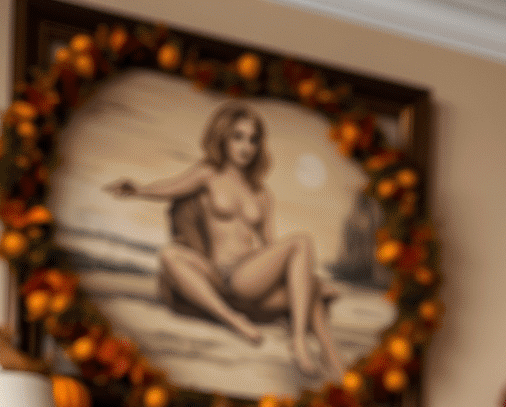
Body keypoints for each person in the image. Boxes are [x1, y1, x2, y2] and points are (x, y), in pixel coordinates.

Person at [105, 103, 345, 380]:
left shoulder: (262, 194)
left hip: (250, 280)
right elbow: (171, 187)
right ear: (223, 137)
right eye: (238, 137)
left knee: (311, 286)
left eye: (253, 139)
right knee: (170, 256)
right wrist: (137, 189)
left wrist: (303, 281)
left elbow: (270, 246)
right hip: (221, 277)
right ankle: (241, 323)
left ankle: (329, 354)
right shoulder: (209, 174)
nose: (246, 146)